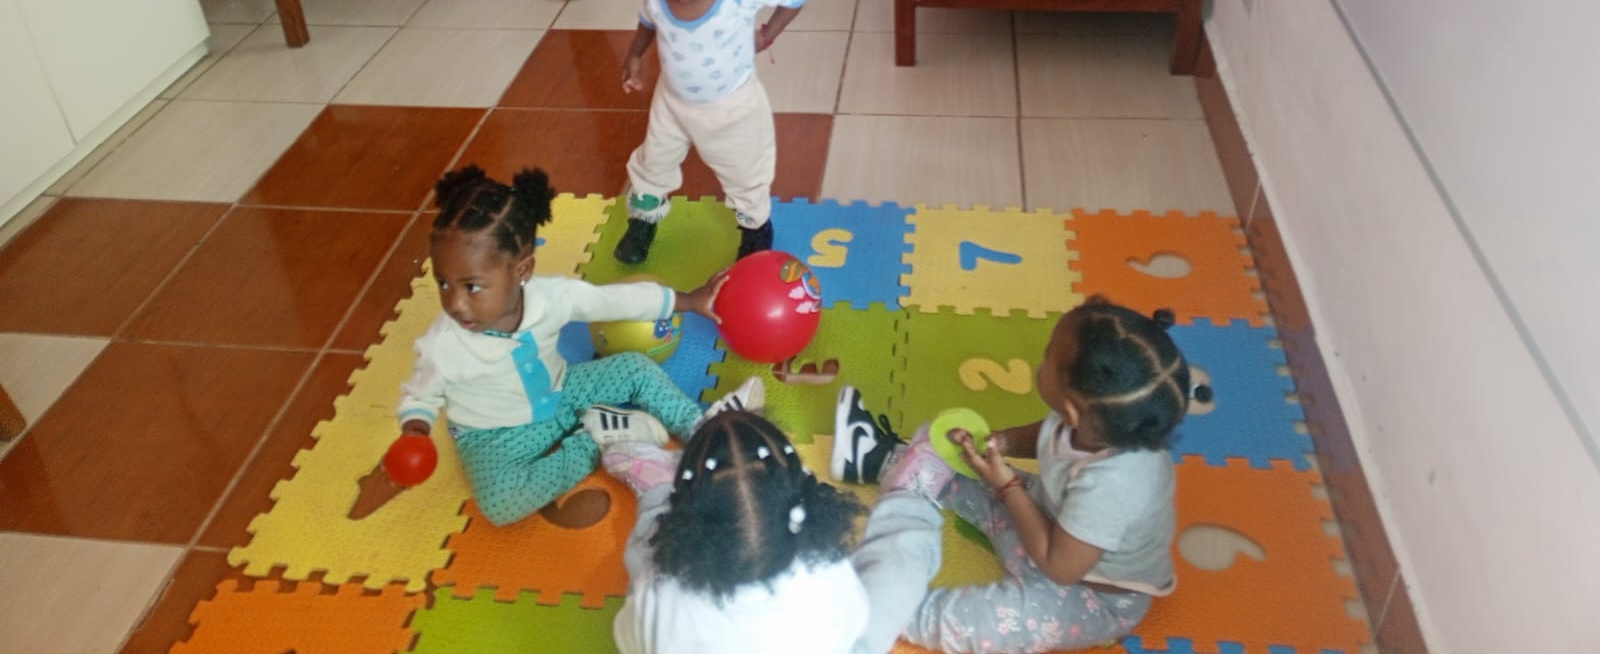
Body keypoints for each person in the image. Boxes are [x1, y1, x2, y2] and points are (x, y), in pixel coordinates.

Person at [831, 298, 1211, 653]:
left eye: (1047, 358)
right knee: (957, 456)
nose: (1040, 362)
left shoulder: (1113, 486)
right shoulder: (1095, 422)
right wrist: (1000, 443)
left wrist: (1008, 486)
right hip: (1047, 519)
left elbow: (1059, 567)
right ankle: (874, 456)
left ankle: (885, 611)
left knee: (986, 622)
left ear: (1072, 409)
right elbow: (1048, 433)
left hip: (1090, 593)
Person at [395, 164, 762, 526]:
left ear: (522, 271)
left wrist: (688, 301)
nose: (455, 303)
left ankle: (700, 427)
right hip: (494, 436)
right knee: (500, 504)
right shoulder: (443, 343)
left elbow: (617, 301)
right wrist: (415, 431)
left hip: (564, 392)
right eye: (443, 283)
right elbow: (420, 396)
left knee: (634, 367)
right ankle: (600, 436)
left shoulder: (551, 297)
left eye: (472, 287)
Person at [602, 409, 945, 654]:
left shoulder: (659, 592)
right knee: (898, 566)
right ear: (799, 500)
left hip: (665, 591)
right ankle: (909, 495)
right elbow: (853, 623)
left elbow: (631, 639)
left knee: (651, 547)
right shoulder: (824, 570)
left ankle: (657, 489)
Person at [614, 0, 811, 264]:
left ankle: (755, 230)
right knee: (652, 166)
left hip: (733, 109)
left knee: (746, 175)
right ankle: (643, 221)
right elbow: (649, 18)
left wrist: (767, 34)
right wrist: (635, 54)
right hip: (671, 103)